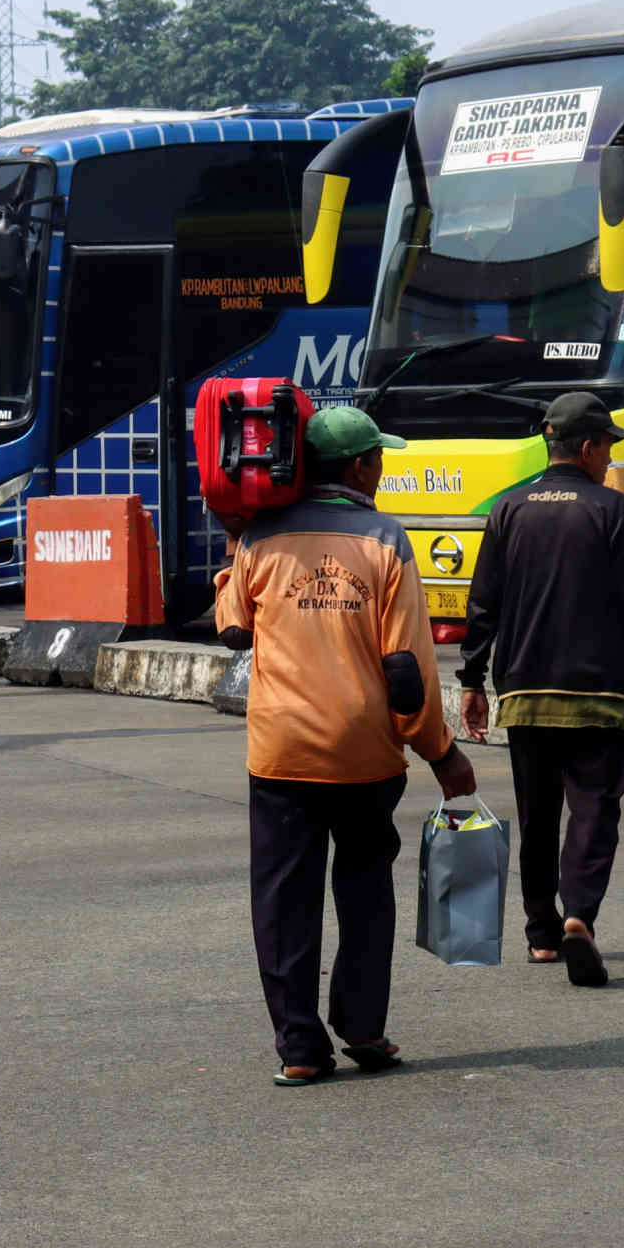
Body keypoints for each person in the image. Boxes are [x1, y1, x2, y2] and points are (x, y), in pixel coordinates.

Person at [213, 403, 477, 1085]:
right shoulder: (386, 539)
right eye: (379, 458)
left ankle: (300, 1048)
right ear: (360, 466)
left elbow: (232, 627)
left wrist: (231, 557)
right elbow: (407, 671)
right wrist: (441, 752)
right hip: (363, 752)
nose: (383, 468)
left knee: (282, 898)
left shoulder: (262, 537)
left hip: (281, 752)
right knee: (363, 892)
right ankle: (361, 1028)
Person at [458, 391, 624, 988]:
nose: (609, 457)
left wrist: (472, 679)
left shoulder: (508, 509)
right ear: (585, 448)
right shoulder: (610, 510)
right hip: (600, 693)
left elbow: (484, 604)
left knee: (538, 815)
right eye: (606, 445)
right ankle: (578, 914)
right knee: (594, 810)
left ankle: (540, 935)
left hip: (525, 690)